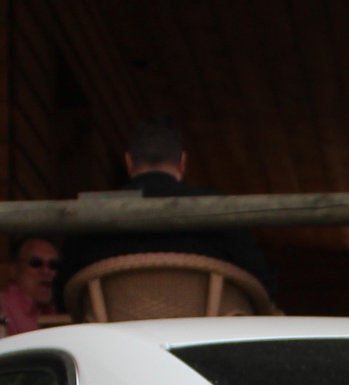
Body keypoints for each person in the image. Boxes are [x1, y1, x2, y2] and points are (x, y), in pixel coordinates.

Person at [55, 115, 278, 305]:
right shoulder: (215, 208)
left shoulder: (91, 214)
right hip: (197, 342)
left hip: (111, 346)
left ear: (129, 162)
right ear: (182, 162)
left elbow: (61, 296)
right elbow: (264, 286)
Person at [0, 235, 61, 337]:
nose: (46, 271)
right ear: (13, 270)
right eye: (36, 263)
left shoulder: (51, 311)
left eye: (53, 265)